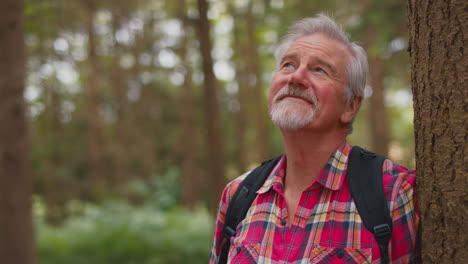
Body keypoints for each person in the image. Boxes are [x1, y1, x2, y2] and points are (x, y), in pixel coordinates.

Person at [209, 14, 419, 263]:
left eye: (319, 70)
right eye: (288, 64)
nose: (295, 77)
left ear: (350, 106)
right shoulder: (237, 196)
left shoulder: (393, 193)